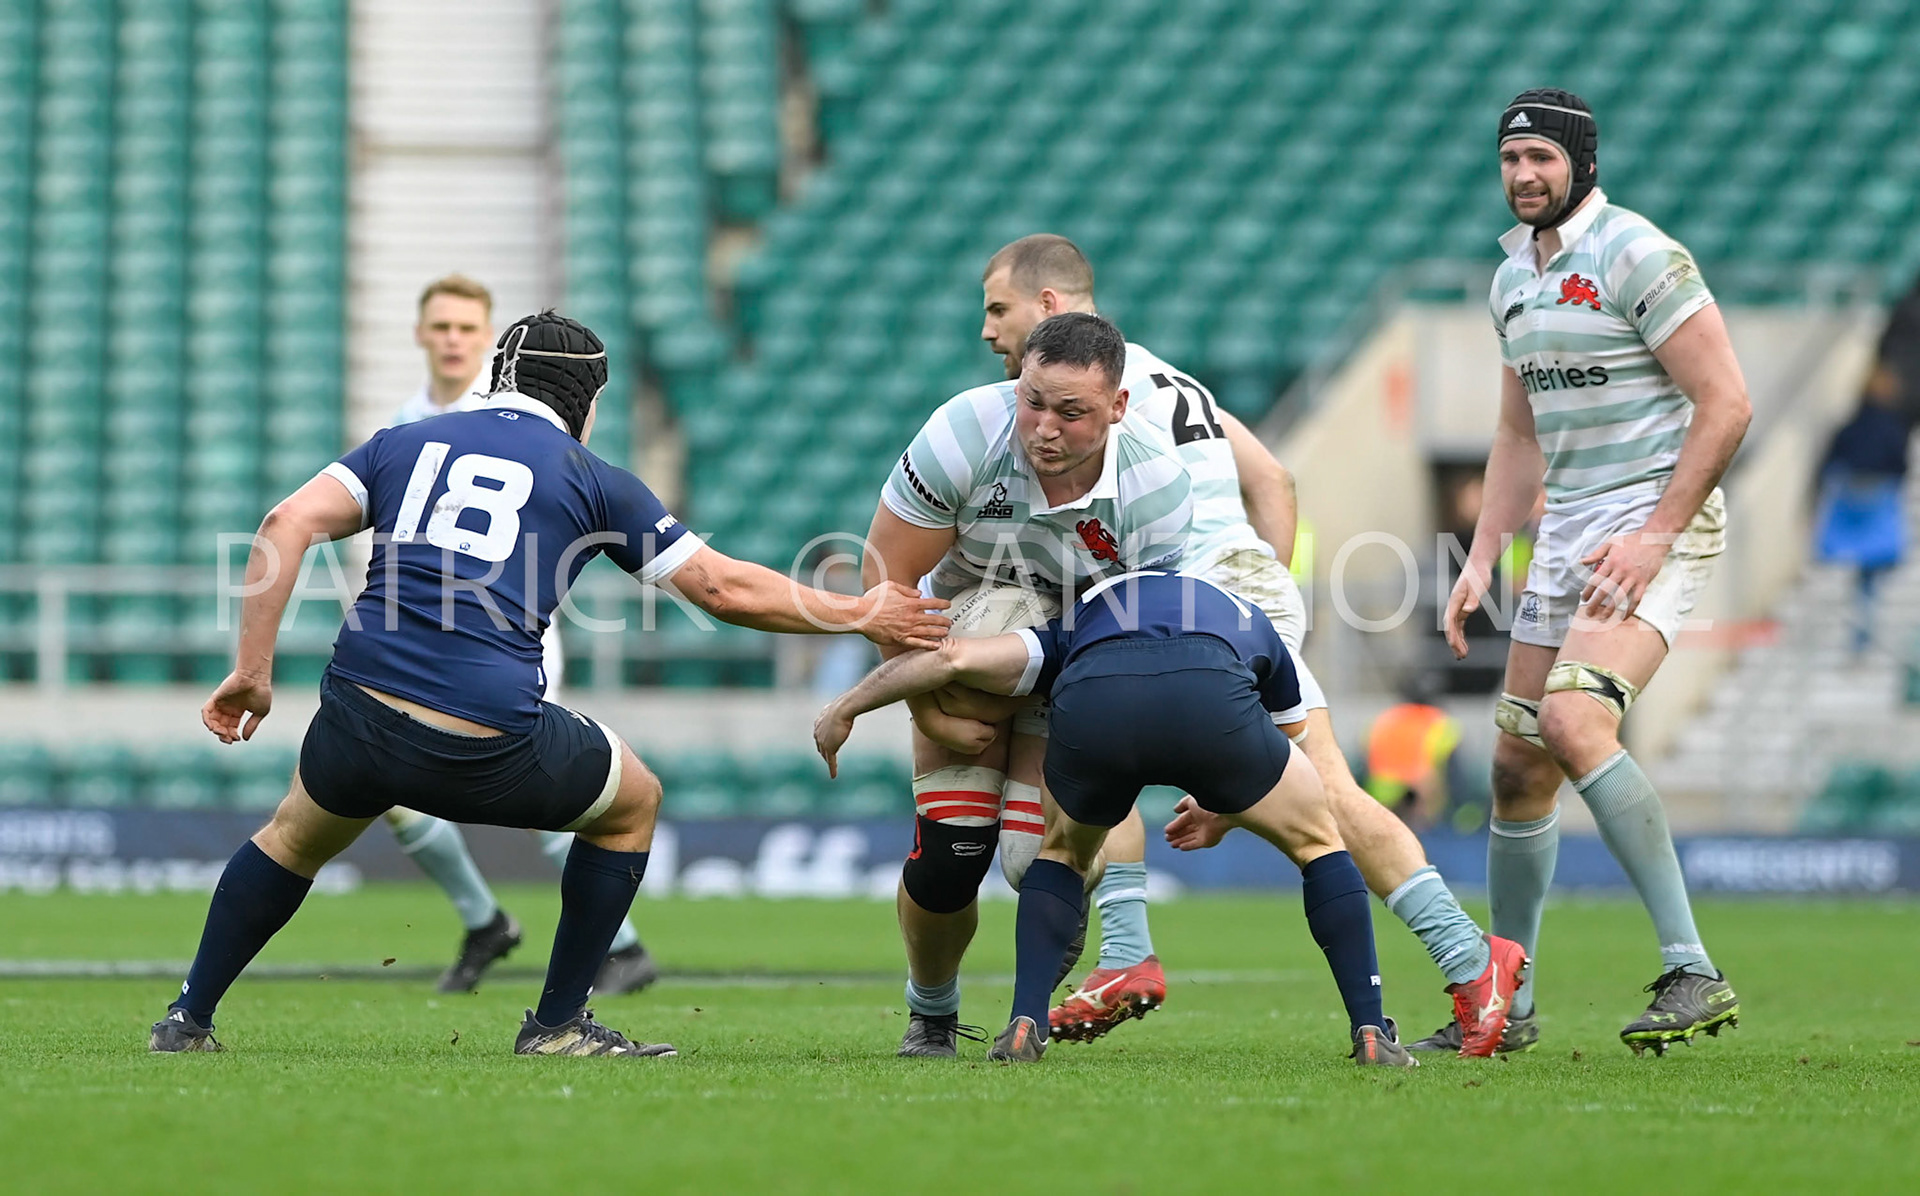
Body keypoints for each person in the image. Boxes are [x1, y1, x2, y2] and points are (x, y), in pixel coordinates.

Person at [149, 313, 947, 1057]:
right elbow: (721, 591)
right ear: (588, 403)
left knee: (292, 836)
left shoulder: (403, 443)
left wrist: (252, 674)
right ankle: (559, 1023)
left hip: (357, 716)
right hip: (485, 738)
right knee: (633, 801)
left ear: (500, 371)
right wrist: (857, 611)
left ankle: (188, 1016)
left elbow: (285, 523)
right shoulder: (593, 477)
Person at [975, 235, 1525, 1057]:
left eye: (998, 309)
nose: (987, 330)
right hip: (1224, 593)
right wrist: (1269, 596)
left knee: (1325, 794)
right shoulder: (1165, 376)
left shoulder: (1091, 394)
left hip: (1201, 598)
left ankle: (1473, 955)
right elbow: (1273, 478)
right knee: (1092, 740)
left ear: (1050, 306)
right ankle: (1125, 952)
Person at [814, 570, 1416, 1067]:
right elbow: (1288, 746)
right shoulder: (1248, 618)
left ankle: (1024, 1025)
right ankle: (1370, 1032)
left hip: (1099, 698)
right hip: (1212, 693)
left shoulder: (1079, 617)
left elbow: (949, 660)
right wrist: (1222, 812)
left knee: (1061, 854)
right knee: (1317, 844)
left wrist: (846, 706)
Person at [1443, 89, 1751, 1056]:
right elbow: (1514, 431)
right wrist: (1483, 554)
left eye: (1541, 157)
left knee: (1575, 718)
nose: (1524, 175)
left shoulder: (1637, 252)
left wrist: (1658, 532)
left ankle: (1692, 965)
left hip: (1654, 519)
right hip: (1570, 532)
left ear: (1579, 161)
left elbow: (1728, 403)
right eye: (1511, 159)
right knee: (1515, 760)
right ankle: (1510, 1004)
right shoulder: (1512, 281)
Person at [862, 311, 1192, 1058]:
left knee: (1031, 858)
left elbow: (1140, 641)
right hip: (958, 642)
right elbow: (886, 582)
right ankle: (932, 1012)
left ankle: (1042, 969)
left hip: (1075, 655)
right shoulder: (961, 434)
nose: (1044, 427)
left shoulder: (1156, 491)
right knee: (952, 857)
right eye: (1033, 400)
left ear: (1118, 409)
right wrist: (925, 704)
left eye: (1071, 412)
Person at [375, 275, 657, 997]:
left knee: (541, 789)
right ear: (420, 335)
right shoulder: (407, 420)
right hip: (426, 633)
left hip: (504, 637)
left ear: (489, 339)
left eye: (467, 328)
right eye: (440, 327)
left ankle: (617, 947)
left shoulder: (511, 414)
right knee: (394, 794)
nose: (452, 340)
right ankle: (488, 924)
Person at [1814, 382, 1910, 654]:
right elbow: (1900, 465)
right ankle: (1862, 636)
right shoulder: (1892, 428)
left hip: (1851, 500)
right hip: (1876, 502)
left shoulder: (1851, 427)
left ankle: (1860, 636)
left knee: (1862, 579)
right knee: (1870, 578)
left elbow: (1830, 462)